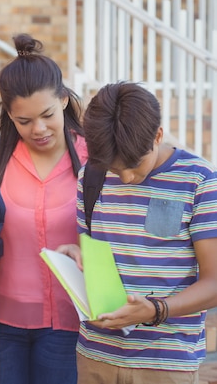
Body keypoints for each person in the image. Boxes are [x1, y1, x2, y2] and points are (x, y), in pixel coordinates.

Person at [67, 81, 217, 383]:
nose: (126, 177)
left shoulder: (199, 180)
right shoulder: (91, 176)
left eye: (134, 165)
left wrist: (155, 310)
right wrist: (76, 257)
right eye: (114, 168)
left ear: (158, 135)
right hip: (95, 356)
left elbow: (214, 282)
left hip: (165, 364)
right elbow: (97, 257)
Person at [0, 33, 88, 384]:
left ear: (63, 99)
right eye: (23, 121)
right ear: (9, 115)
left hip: (70, 325)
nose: (38, 129)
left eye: (47, 115)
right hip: (4, 326)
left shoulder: (91, 157)